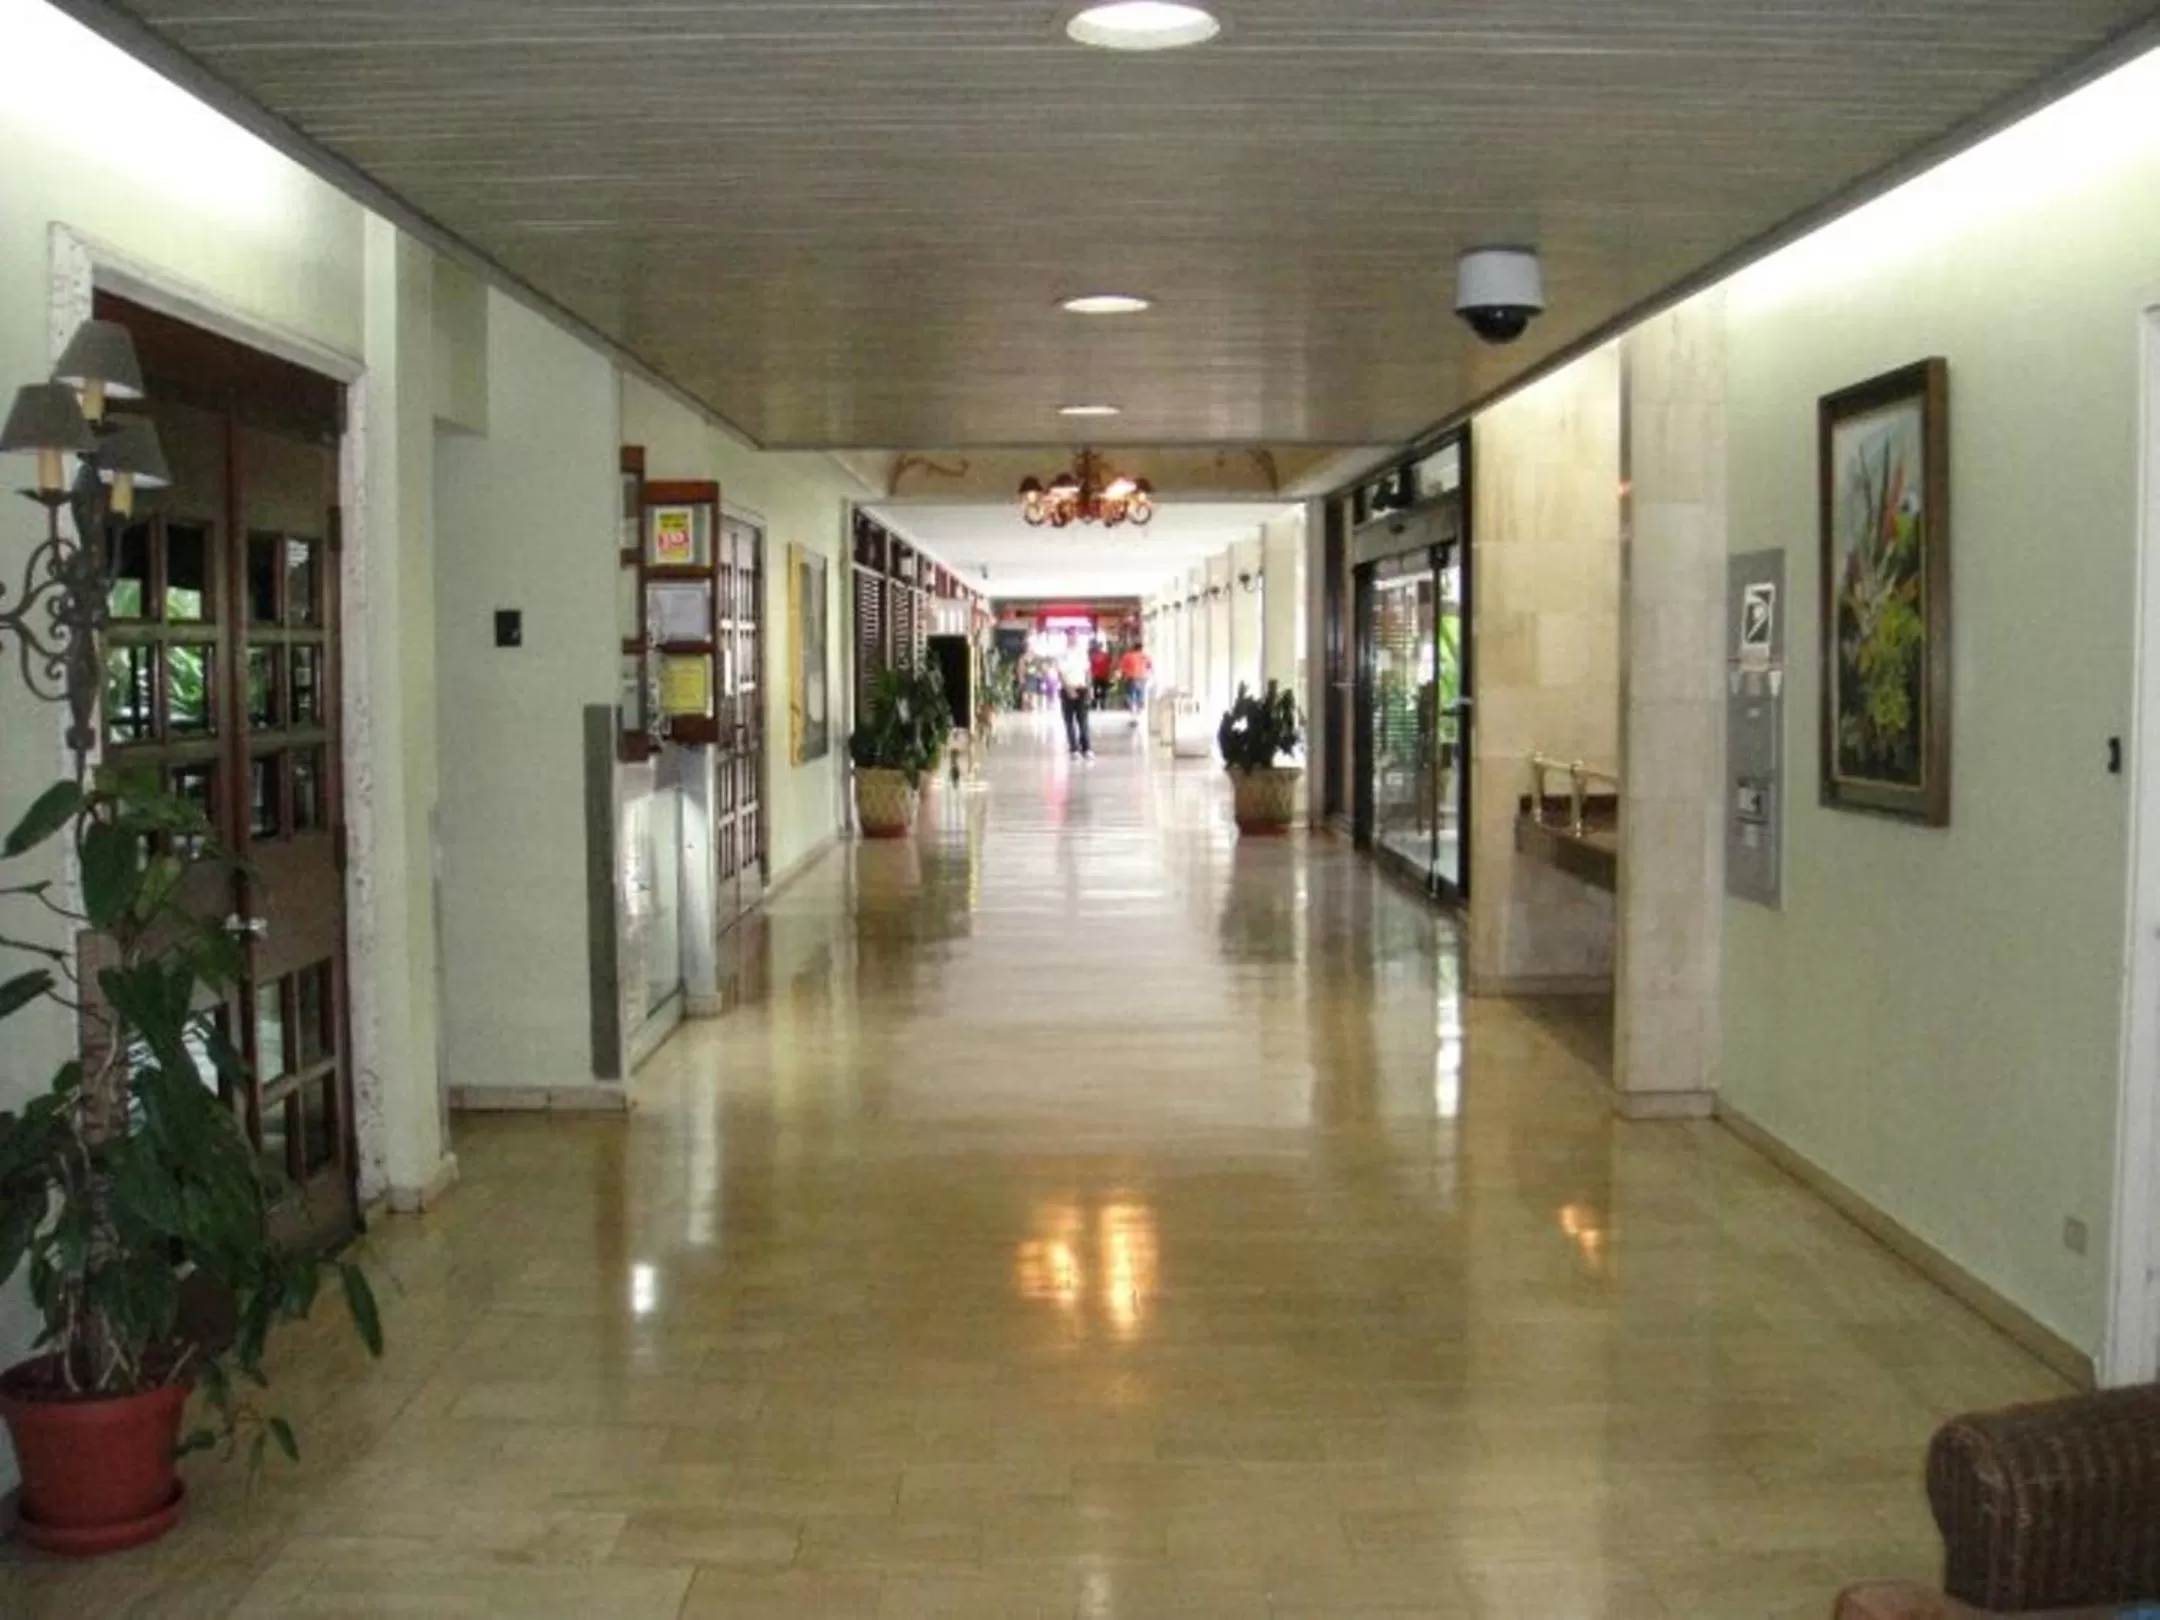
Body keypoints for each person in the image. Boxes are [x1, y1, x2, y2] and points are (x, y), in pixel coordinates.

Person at [1058, 636, 1094, 759]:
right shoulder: (1062, 655)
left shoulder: (1082, 654)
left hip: (1082, 688)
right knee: (1069, 721)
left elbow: (1087, 672)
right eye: (1070, 637)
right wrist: (1068, 689)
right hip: (1068, 689)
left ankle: (1087, 748)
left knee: (1083, 720)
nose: (1072, 640)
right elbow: (1061, 674)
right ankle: (1074, 749)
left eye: (1074, 637)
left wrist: (1089, 688)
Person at [1119, 642, 1152, 714]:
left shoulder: (1127, 656)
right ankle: (1139, 708)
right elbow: (1150, 666)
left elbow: (1123, 668)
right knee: (1140, 692)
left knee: (1130, 693)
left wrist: (1123, 676)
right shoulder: (1145, 656)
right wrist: (1148, 673)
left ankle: (1132, 707)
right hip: (1142, 677)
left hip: (1130, 677)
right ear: (1141, 649)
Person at [1089, 640, 1114, 710]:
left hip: (1099, 675)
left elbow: (1091, 665)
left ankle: (1097, 704)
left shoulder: (1094, 656)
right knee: (1101, 691)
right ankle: (1100, 704)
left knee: (1097, 691)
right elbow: (1110, 664)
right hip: (1101, 675)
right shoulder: (1105, 656)